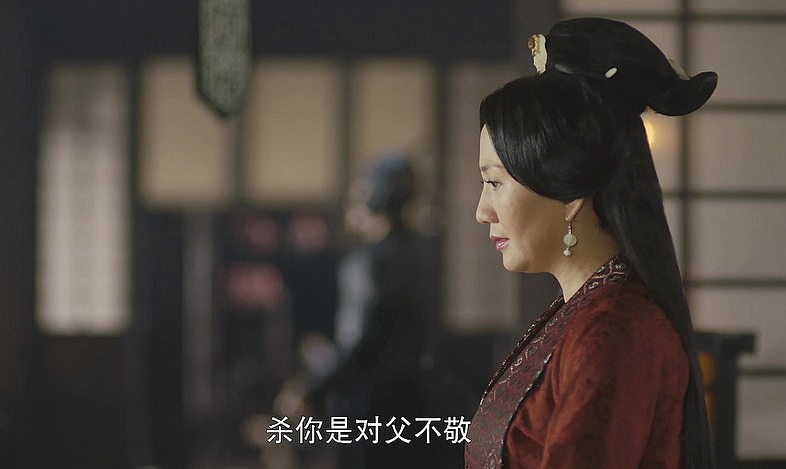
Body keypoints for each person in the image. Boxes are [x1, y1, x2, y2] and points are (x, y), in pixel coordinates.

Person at [464, 17, 718, 469]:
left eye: (495, 182)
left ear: (569, 195)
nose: (483, 211)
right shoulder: (587, 312)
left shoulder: (616, 330)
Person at [304, 154, 435, 468]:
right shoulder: (422, 256)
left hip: (370, 403)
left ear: (377, 197)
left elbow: (356, 344)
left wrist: (312, 391)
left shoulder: (367, 262)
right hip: (418, 399)